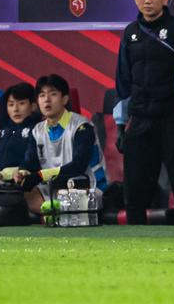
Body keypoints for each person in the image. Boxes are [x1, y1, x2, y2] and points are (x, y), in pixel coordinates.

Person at [115, 0, 174, 225]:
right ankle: (134, 235)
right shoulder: (130, 32)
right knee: (134, 185)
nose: (147, 0)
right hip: (139, 118)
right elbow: (122, 81)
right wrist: (121, 126)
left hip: (172, 117)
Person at [15, 74, 106, 214]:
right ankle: (55, 211)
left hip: (86, 187)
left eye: (53, 94)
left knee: (77, 198)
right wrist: (22, 173)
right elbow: (29, 162)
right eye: (42, 95)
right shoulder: (37, 130)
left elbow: (78, 166)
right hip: (53, 188)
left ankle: (52, 212)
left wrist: (41, 175)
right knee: (21, 195)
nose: (47, 99)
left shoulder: (82, 126)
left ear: (64, 99)